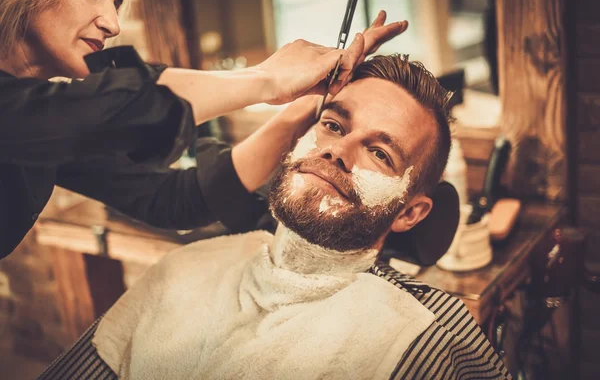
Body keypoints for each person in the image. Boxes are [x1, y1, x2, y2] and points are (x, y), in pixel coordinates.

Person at [42, 55, 510, 380]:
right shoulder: (184, 269)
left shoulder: (418, 334)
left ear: (410, 213)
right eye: (332, 125)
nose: (337, 151)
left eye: (380, 153)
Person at [0, 0, 407, 258]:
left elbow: (172, 199)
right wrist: (266, 79)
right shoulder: (40, 113)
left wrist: (307, 107)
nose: (112, 24)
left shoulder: (48, 119)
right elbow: (127, 108)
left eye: (117, 4)